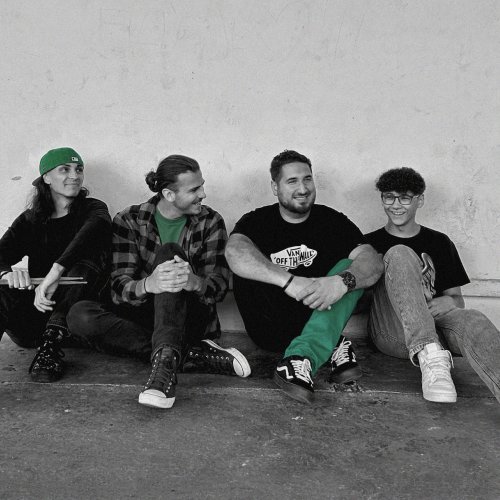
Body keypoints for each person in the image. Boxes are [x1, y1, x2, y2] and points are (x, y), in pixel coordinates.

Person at [68, 154, 250, 410]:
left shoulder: (210, 221)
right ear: (169, 194)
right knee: (79, 315)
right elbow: (118, 286)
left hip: (189, 317)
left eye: (202, 186)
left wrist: (194, 282)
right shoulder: (130, 219)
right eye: (195, 189)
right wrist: (147, 285)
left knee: (170, 253)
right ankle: (189, 354)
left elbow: (219, 286)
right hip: (144, 316)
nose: (203, 194)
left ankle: (163, 373)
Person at [225, 150, 383, 404]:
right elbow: (234, 253)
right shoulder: (257, 221)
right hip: (269, 327)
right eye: (292, 181)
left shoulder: (332, 221)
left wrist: (341, 282)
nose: (303, 188)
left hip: (316, 315)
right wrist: (289, 282)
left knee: (350, 268)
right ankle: (331, 344)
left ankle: (300, 358)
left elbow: (372, 261)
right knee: (250, 260)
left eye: (307, 179)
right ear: (275, 188)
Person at [365, 167, 500, 404]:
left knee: (475, 318)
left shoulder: (439, 242)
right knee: (399, 253)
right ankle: (428, 351)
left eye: (404, 198)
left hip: (437, 323)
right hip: (395, 331)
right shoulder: (368, 243)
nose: (396, 205)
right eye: (389, 197)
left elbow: (457, 300)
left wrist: (448, 301)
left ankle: (434, 352)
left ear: (420, 200)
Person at [0, 147, 111, 382]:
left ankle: (50, 346)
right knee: (3, 287)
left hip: (73, 321)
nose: (75, 175)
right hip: (33, 319)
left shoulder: (93, 209)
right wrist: (6, 274)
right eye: (65, 169)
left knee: (87, 261)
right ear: (47, 178)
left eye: (79, 169)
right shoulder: (31, 220)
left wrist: (55, 271)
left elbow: (93, 231)